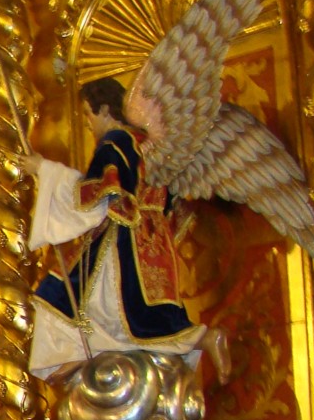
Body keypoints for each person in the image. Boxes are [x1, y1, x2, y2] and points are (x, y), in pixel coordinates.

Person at [20, 77, 230, 384]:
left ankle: (202, 338)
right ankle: (83, 355)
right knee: (137, 314)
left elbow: (91, 197)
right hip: (153, 241)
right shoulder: (143, 143)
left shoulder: (114, 143)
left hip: (123, 239)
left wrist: (43, 169)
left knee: (66, 295)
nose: (87, 122)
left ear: (105, 109)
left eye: (88, 113)